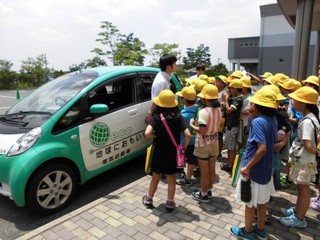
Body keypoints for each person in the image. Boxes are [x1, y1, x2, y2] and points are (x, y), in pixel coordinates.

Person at [230, 87, 278, 240]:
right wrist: (251, 119)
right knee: (262, 202)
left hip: (253, 171)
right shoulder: (272, 120)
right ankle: (261, 230)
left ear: (258, 106)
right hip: (265, 170)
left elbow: (262, 148)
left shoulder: (258, 122)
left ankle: (248, 232)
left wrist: (247, 167)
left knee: (249, 204)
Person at [143, 90, 191, 212]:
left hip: (159, 151)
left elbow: (147, 133)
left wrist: (155, 135)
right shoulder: (179, 117)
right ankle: (170, 202)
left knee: (155, 177)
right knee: (171, 178)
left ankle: (149, 199)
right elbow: (188, 134)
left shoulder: (156, 117)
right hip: (173, 152)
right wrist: (183, 148)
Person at [279, 86, 319, 228]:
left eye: (296, 99)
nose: (293, 101)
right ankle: (297, 211)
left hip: (305, 161)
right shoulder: (309, 118)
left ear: (303, 103)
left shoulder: (308, 122)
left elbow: (308, 145)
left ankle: (300, 218)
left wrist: (317, 152)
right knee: (302, 189)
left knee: (303, 190)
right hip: (303, 160)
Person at [190, 84, 221, 202]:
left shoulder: (203, 112)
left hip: (203, 143)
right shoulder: (218, 110)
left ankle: (203, 194)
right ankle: (208, 190)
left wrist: (192, 124)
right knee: (212, 168)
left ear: (205, 98)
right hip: (214, 141)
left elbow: (202, 130)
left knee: (204, 171)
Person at [175, 87, 198, 186]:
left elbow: (180, 131)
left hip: (184, 141)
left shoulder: (183, 115)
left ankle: (182, 175)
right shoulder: (198, 109)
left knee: (181, 158)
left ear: (185, 100)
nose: (180, 99)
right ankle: (188, 177)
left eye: (181, 97)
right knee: (191, 160)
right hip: (195, 140)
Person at [220, 79, 243, 173]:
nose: (230, 90)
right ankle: (231, 163)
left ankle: (230, 165)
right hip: (231, 124)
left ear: (236, 89)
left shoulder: (238, 99)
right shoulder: (235, 98)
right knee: (231, 145)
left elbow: (229, 110)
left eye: (231, 88)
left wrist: (225, 100)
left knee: (230, 146)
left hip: (232, 125)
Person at [215, 75, 228, 159]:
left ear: (223, 84)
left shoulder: (224, 93)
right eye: (216, 81)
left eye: (219, 81)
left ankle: (219, 153)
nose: (217, 83)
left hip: (221, 116)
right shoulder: (216, 91)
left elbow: (225, 104)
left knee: (219, 135)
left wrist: (222, 106)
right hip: (215, 115)